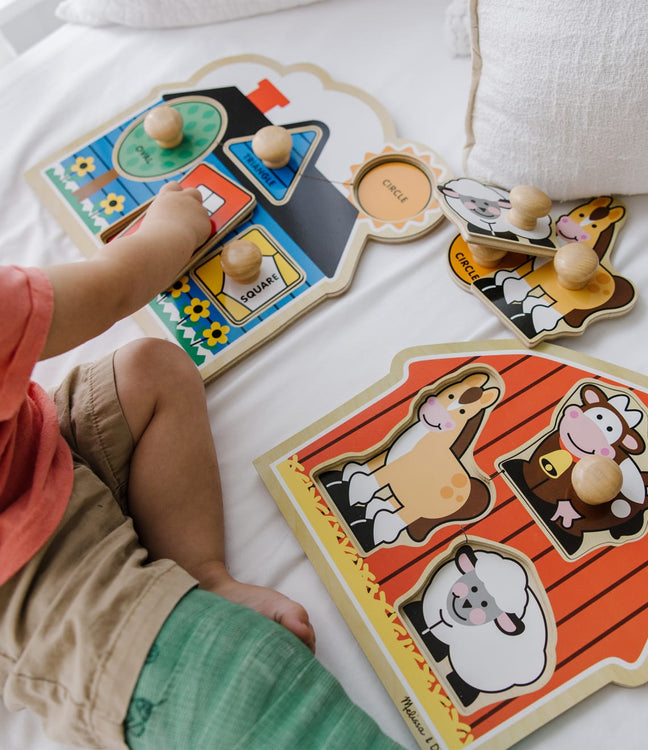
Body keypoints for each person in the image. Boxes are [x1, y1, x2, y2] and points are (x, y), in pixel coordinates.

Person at [0, 183, 404, 749]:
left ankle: (204, 576)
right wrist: (175, 227)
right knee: (233, 674)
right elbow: (114, 284)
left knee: (152, 370)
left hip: (34, 454)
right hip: (28, 584)